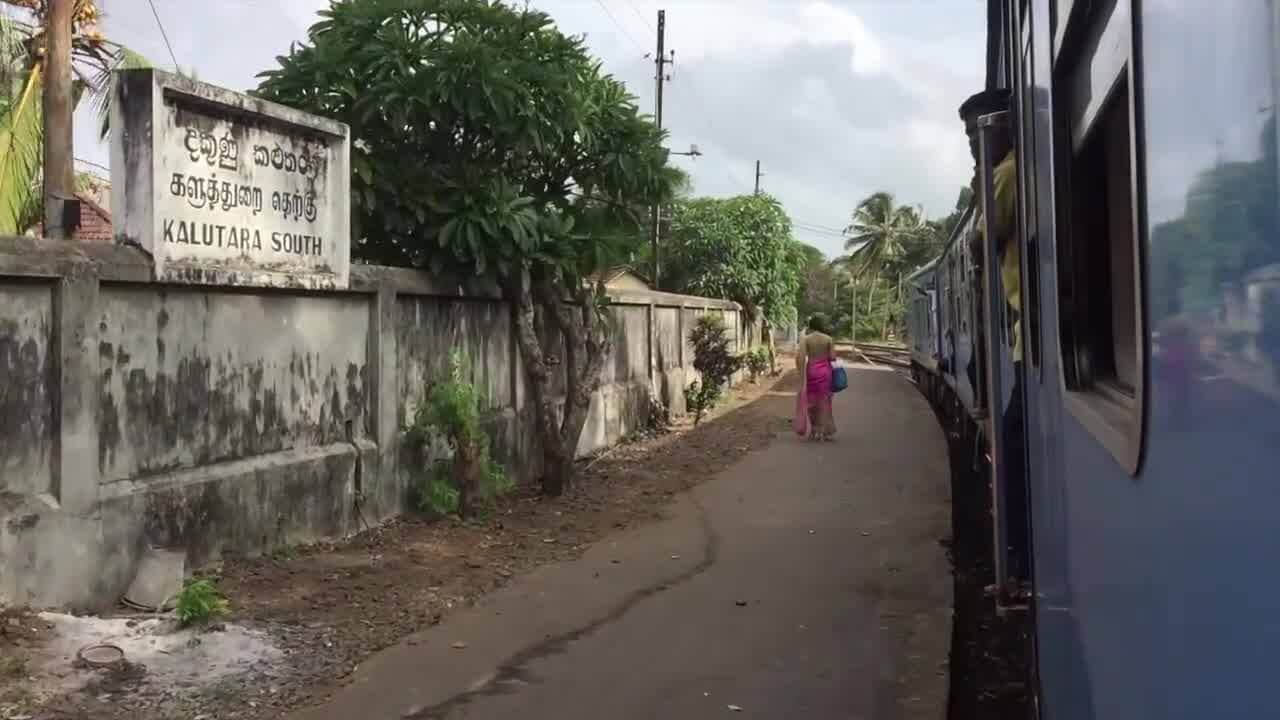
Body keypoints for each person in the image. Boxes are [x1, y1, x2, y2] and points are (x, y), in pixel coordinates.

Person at [960, 87, 1030, 582]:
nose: (970, 146)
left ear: (998, 126)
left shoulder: (1005, 175)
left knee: (1010, 444)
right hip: (1026, 332)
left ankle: (1018, 553)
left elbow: (982, 241)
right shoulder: (1012, 170)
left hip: (1033, 335)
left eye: (973, 134)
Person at [797, 314, 837, 441]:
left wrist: (802, 376)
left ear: (811, 325)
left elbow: (801, 357)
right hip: (825, 372)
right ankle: (822, 431)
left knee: (811, 402)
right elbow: (832, 357)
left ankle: (813, 430)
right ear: (822, 325)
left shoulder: (806, 339)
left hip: (811, 371)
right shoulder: (828, 339)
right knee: (824, 401)